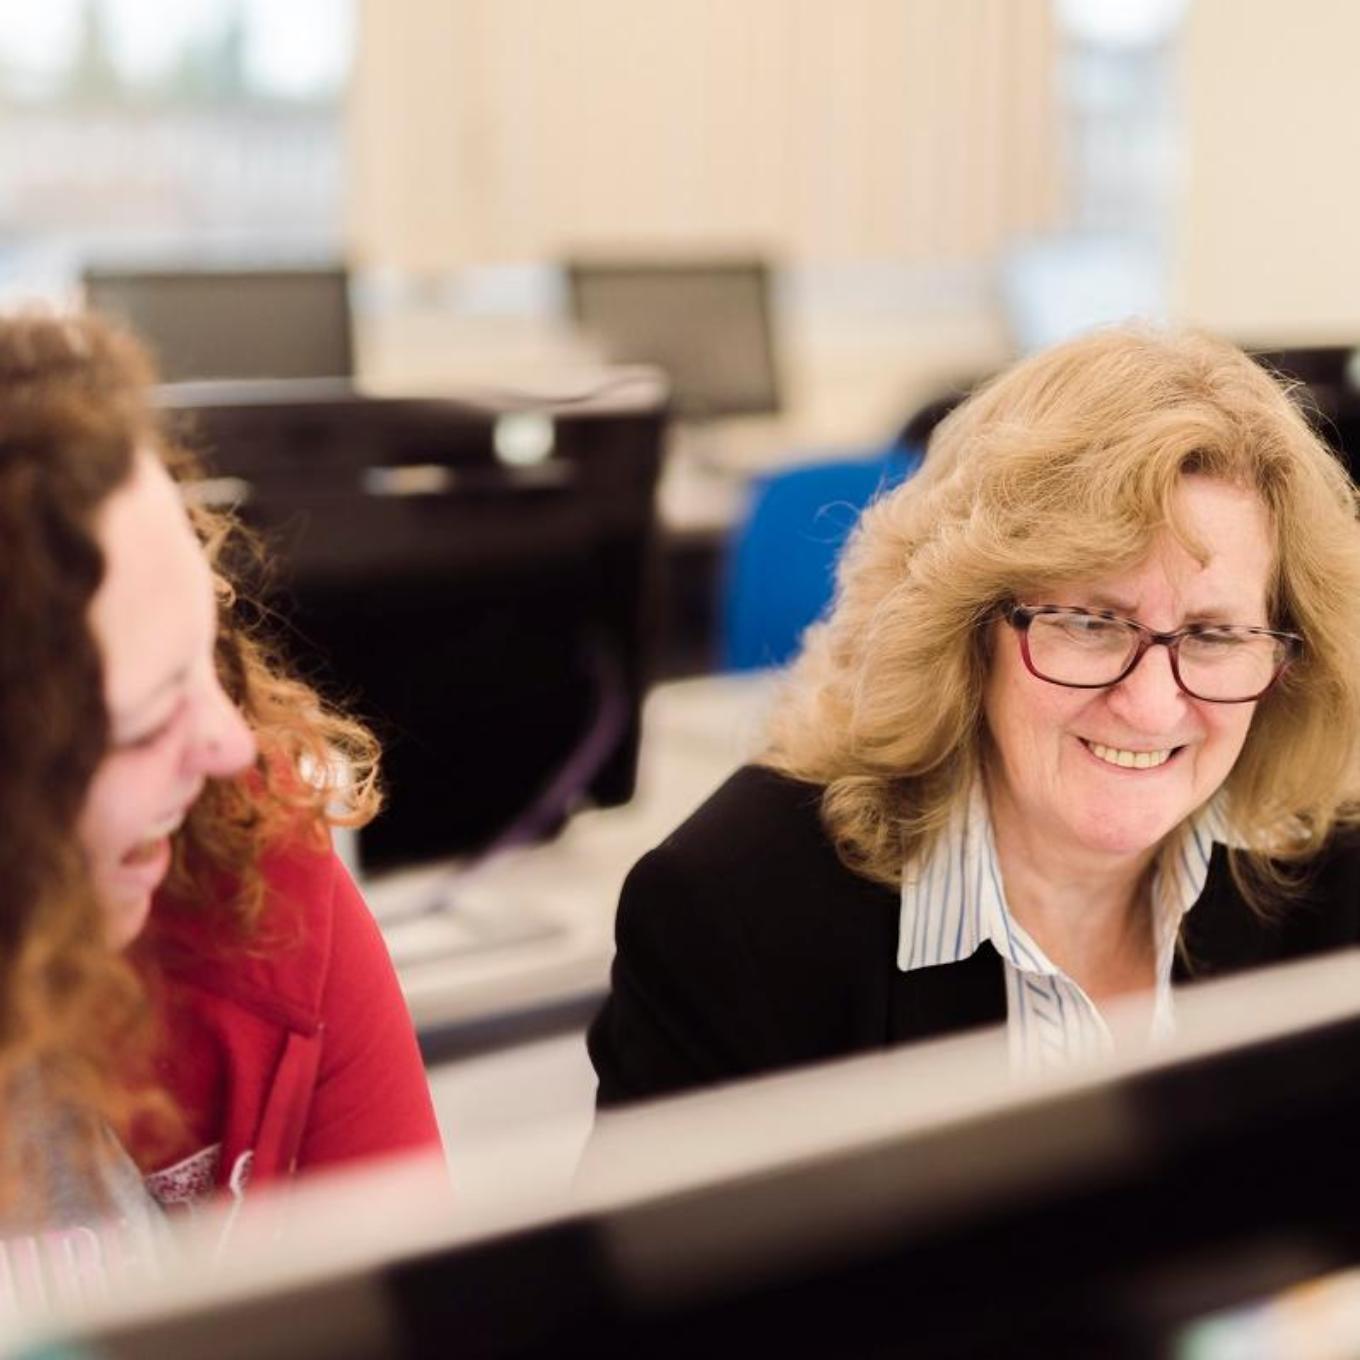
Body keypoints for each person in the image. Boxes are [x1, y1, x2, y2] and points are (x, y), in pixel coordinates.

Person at [588, 326, 1360, 1107]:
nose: (1153, 703)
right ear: (966, 630)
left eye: (1213, 635)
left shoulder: (1334, 873)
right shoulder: (731, 911)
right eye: (1090, 623)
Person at [0, 310, 440, 1258]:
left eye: (210, 652)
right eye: (151, 715)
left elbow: (411, 1309)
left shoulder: (247, 860)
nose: (230, 748)